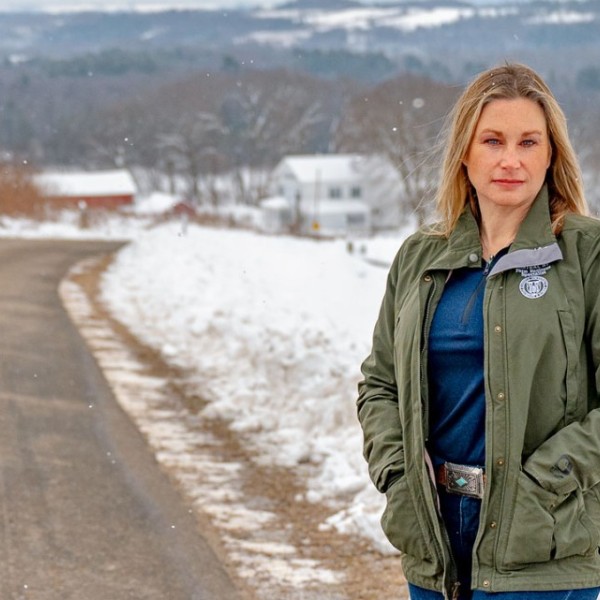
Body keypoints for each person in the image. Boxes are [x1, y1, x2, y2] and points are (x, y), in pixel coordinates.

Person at [356, 62, 600, 600]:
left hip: (544, 544)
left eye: (528, 142)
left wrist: (542, 483)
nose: (510, 159)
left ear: (551, 154)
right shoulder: (421, 257)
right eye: (492, 140)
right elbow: (380, 384)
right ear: (464, 152)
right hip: (436, 543)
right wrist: (400, 477)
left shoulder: (587, 253)